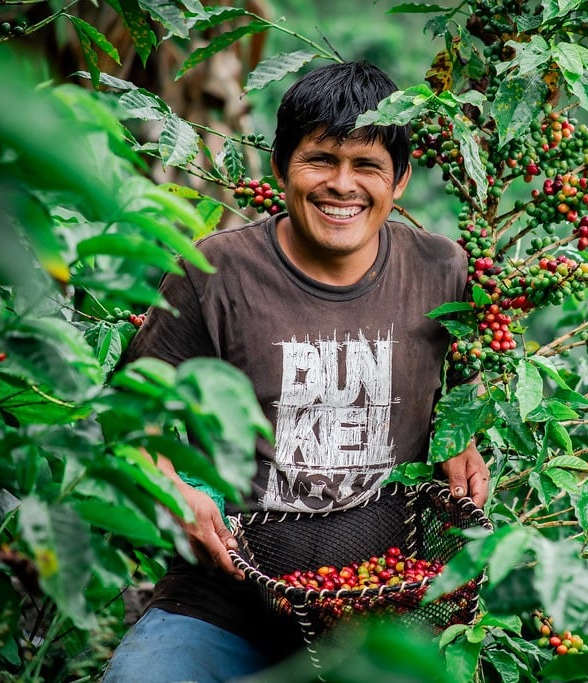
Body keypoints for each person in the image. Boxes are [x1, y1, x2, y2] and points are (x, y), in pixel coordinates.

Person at [102, 60, 490, 682]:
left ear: (402, 180)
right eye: (321, 160)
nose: (343, 185)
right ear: (281, 166)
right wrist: (174, 489)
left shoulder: (442, 270)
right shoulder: (216, 272)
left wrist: (459, 440)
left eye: (367, 166)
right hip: (226, 599)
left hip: (381, 601)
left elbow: (464, 390)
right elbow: (125, 417)